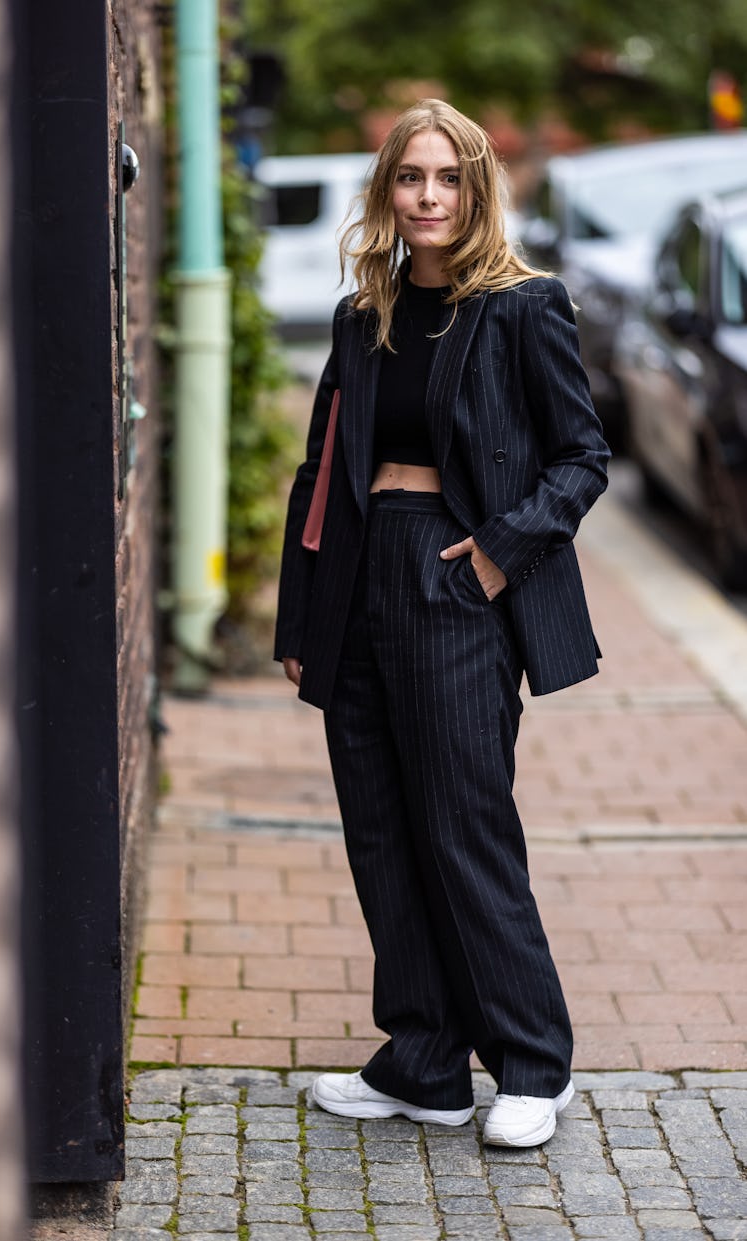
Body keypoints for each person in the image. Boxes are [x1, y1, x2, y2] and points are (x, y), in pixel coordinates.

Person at [274, 99, 610, 1148]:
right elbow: (323, 466)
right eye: (410, 178)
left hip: (457, 574)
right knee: (379, 827)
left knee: (463, 828)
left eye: (447, 178)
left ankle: (530, 1062)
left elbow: (582, 457)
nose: (428, 197)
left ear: (476, 189)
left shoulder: (522, 306)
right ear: (387, 192)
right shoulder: (361, 312)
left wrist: (505, 550)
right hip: (359, 578)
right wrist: (300, 612)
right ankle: (422, 1060)